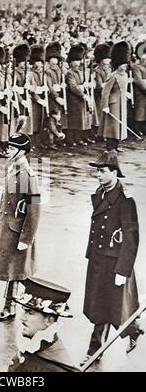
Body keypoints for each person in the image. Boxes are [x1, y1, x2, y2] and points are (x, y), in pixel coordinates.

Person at [82, 150, 144, 362]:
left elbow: (131, 237)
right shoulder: (100, 192)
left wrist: (122, 270)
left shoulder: (125, 199)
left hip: (114, 262)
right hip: (99, 258)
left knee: (110, 307)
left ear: (114, 172)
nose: (98, 175)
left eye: (102, 171)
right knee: (101, 305)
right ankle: (132, 330)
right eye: (97, 172)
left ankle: (94, 351)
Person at [0, 133, 40, 321]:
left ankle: (9, 307)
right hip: (8, 225)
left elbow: (34, 209)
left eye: (12, 148)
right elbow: (6, 199)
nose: (8, 150)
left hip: (18, 230)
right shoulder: (11, 168)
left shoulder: (28, 175)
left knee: (16, 269)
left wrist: (27, 238)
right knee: (14, 268)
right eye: (9, 147)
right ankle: (19, 303)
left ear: (21, 151)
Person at [8, 277, 76, 372]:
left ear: (49, 320)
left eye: (30, 313)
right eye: (24, 311)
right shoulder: (32, 345)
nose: (22, 318)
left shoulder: (56, 366)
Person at [101, 41, 131, 152]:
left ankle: (116, 146)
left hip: (122, 102)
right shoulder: (113, 76)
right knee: (112, 127)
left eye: (125, 64)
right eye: (123, 64)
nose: (124, 67)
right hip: (113, 104)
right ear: (118, 64)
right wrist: (105, 105)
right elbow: (105, 91)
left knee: (120, 125)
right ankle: (110, 147)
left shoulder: (126, 75)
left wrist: (126, 93)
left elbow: (123, 88)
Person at [132, 41, 146, 136]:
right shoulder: (136, 67)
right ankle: (137, 127)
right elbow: (138, 81)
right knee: (139, 111)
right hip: (140, 92)